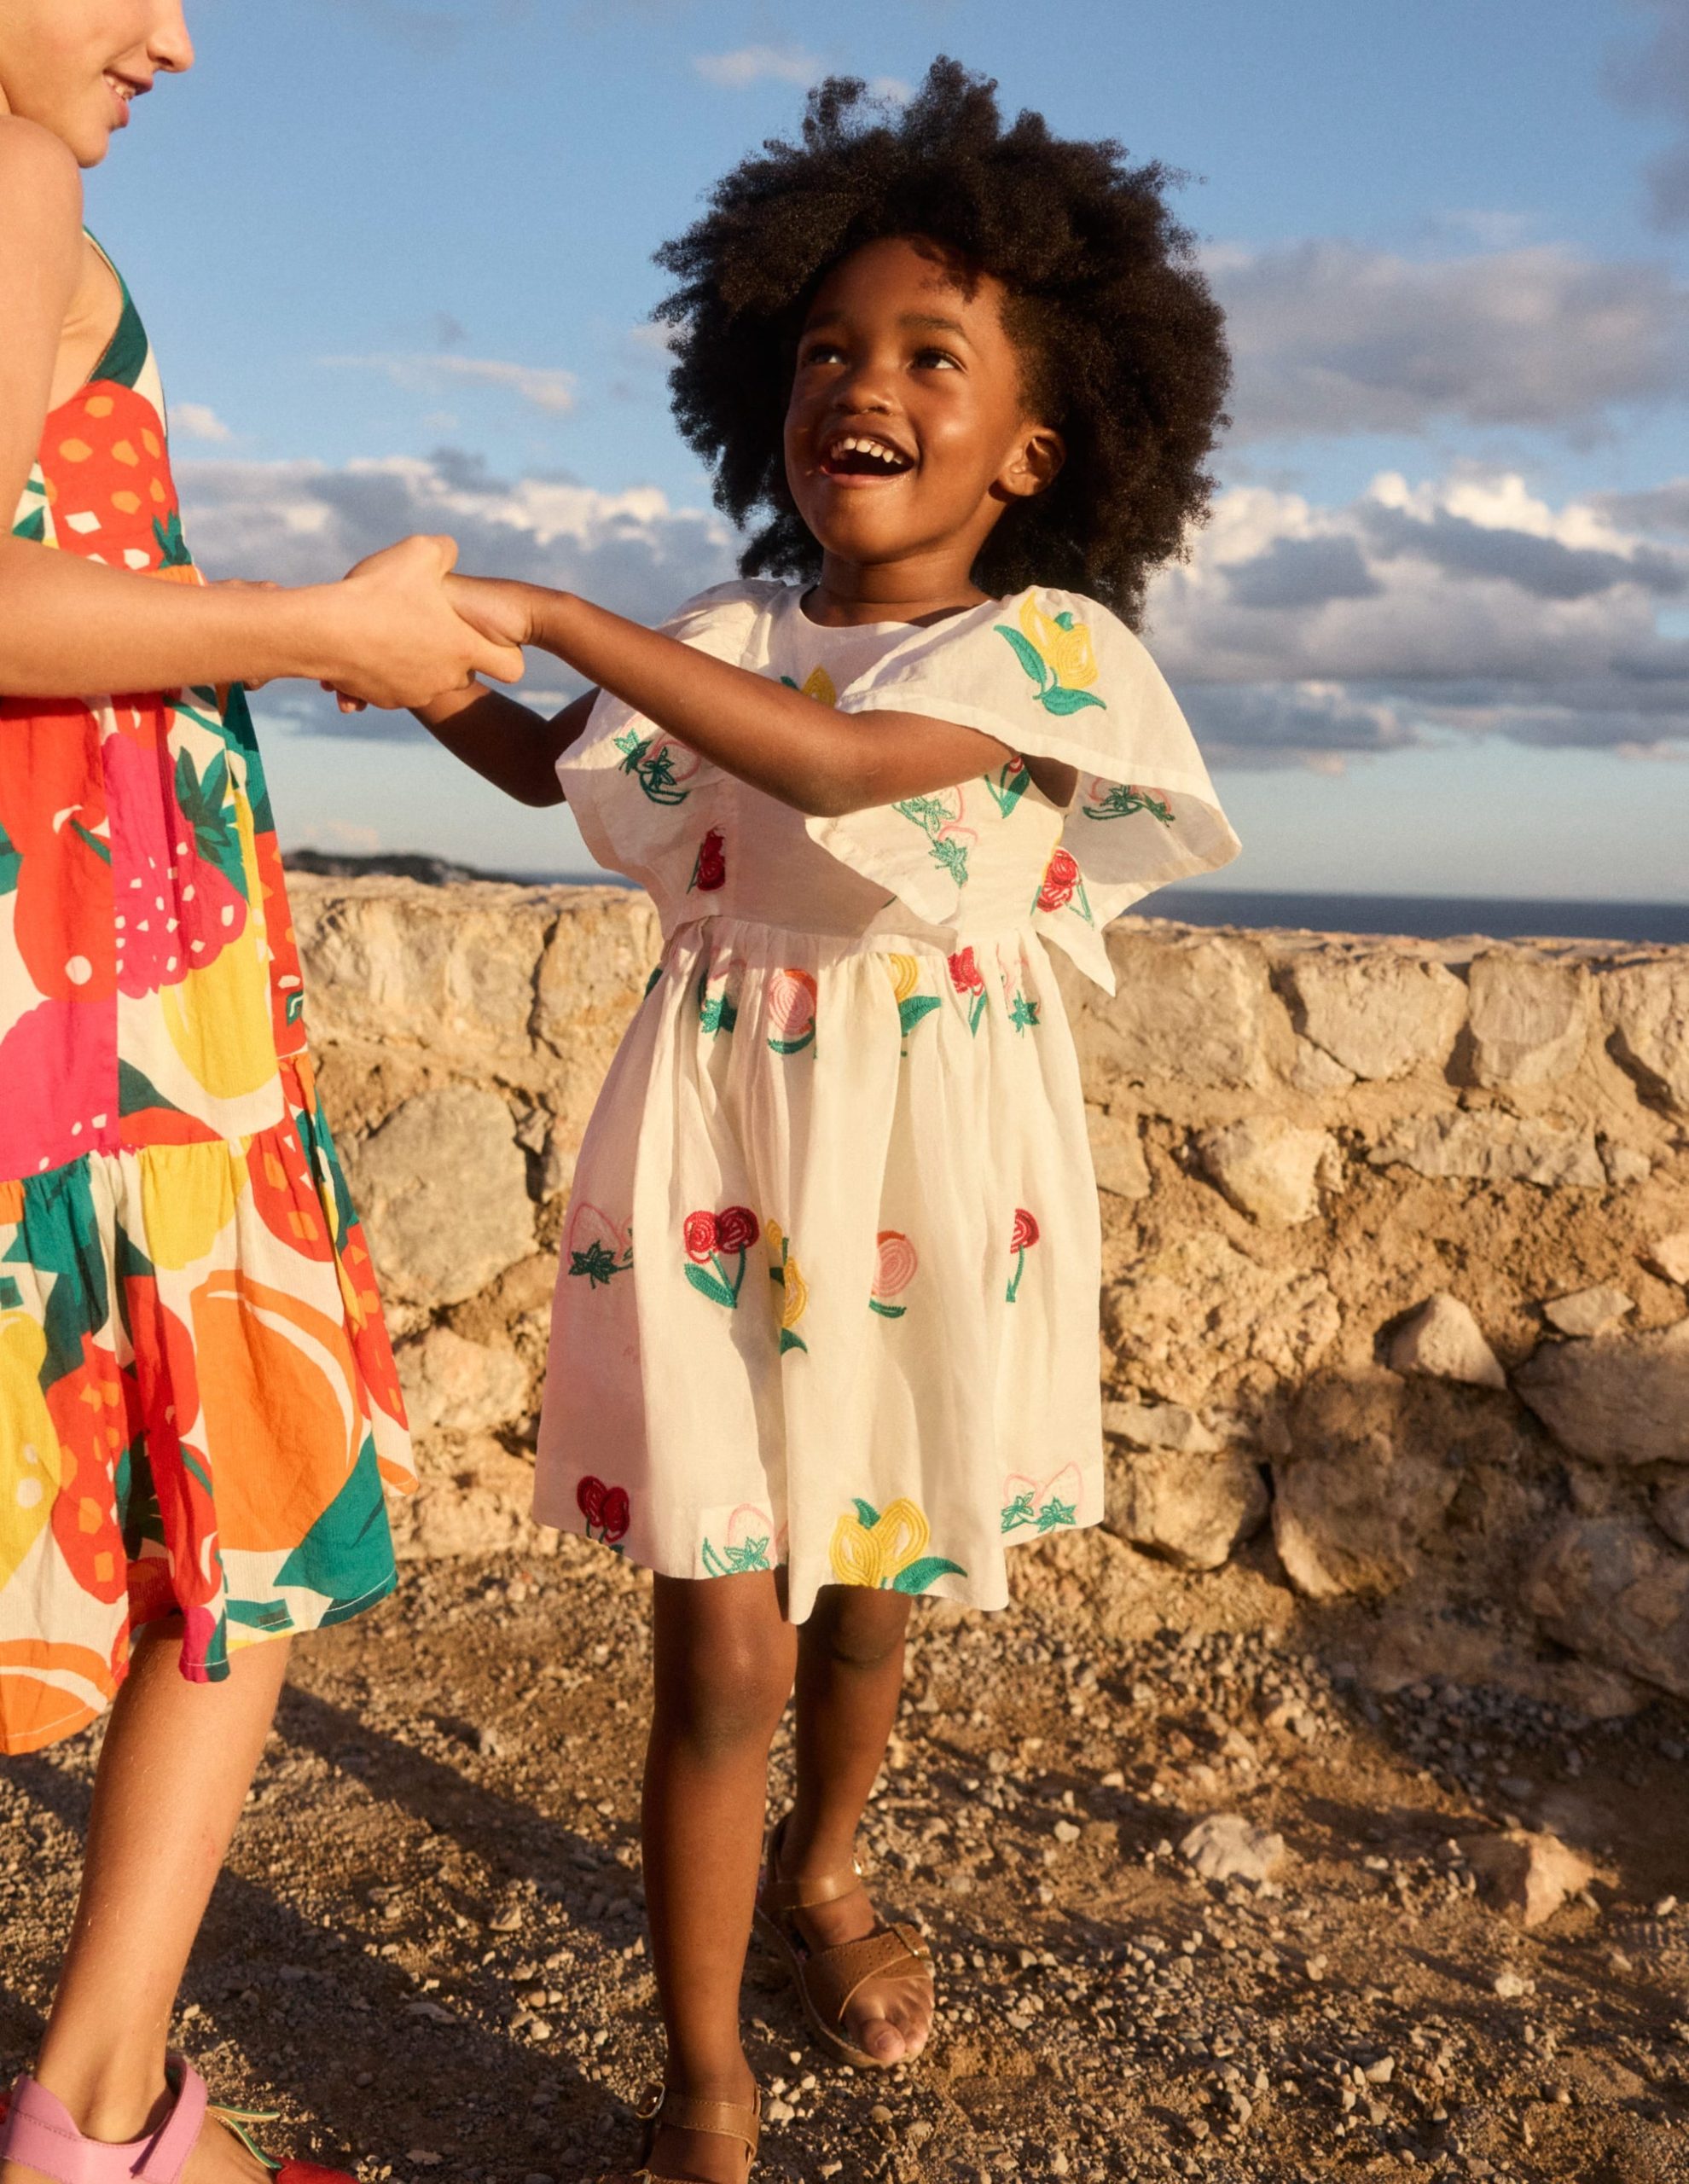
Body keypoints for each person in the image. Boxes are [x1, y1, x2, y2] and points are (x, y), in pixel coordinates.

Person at [417, 61, 1239, 2184]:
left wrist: (556, 608)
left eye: (927, 356)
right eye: (822, 350)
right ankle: (703, 2078)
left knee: (869, 1587)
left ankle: (827, 1871)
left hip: (925, 1169)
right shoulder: (717, 631)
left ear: (1040, 446)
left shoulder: (1051, 651)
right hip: (721, 1152)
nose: (857, 384)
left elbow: (840, 767)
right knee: (719, 1629)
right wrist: (418, 667)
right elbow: (574, 768)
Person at [0, 9, 522, 2184]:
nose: (178, 38)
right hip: (97, 1000)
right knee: (229, 1546)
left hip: (75, 971)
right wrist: (321, 614)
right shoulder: (16, 179)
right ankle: (104, 2116)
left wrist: (294, 634)